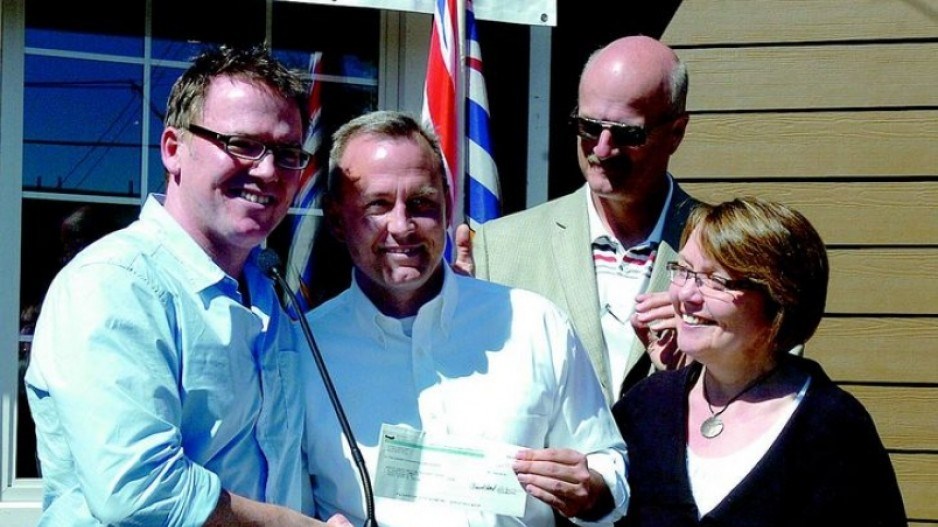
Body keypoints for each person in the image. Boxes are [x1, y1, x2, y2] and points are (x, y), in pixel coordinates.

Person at [25, 45, 350, 527]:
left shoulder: (264, 292)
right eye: (243, 143)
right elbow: (140, 490)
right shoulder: (115, 285)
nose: (268, 171)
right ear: (173, 149)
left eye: (286, 154)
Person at [301, 110, 629, 526]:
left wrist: (591, 491)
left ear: (449, 205)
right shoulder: (302, 353)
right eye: (378, 205)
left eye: (421, 203)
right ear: (335, 219)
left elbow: (607, 463)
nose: (402, 226)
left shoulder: (533, 325)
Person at [611, 198, 906, 526]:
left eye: (716, 281)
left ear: (778, 303)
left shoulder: (832, 430)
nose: (687, 297)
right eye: (683, 271)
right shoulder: (645, 409)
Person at [456, 35, 698, 402]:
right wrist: (447, 315)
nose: (602, 148)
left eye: (627, 133)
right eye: (588, 127)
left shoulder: (731, 251)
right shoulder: (498, 249)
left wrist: (709, 361)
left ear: (676, 133)